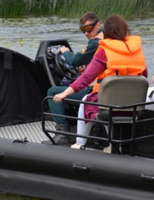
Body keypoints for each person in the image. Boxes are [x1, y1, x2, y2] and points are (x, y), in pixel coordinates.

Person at [53, 14, 147, 149]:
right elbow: (144, 74)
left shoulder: (104, 50)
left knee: (87, 102)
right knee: (106, 105)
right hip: (134, 101)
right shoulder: (136, 49)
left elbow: (86, 78)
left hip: (110, 100)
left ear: (106, 31)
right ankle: (116, 145)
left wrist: (64, 94)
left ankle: (80, 143)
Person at [45, 12, 103, 146]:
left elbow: (74, 61)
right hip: (105, 90)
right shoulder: (109, 40)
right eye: (83, 30)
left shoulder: (96, 43)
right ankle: (72, 128)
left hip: (93, 91)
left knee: (53, 92)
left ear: (98, 25)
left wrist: (64, 51)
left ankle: (62, 134)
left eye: (89, 29)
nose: (86, 33)